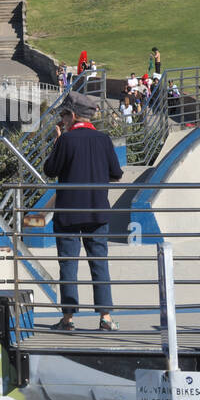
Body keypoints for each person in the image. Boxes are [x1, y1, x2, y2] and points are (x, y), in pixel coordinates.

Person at [43, 92, 123, 332]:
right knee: (99, 262)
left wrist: (58, 141)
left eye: (65, 115)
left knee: (68, 263)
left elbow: (50, 170)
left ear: (74, 115)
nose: (63, 120)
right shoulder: (103, 139)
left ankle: (68, 319)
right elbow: (116, 173)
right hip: (97, 210)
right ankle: (106, 317)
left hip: (68, 212)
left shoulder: (67, 140)